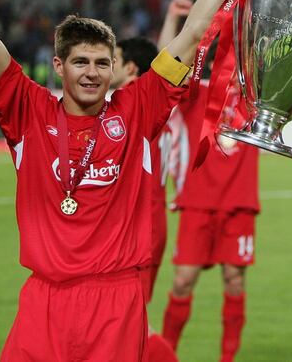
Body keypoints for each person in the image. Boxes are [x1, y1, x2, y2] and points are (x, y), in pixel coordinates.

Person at [0, 0, 265, 359]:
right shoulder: (26, 110)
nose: (91, 73)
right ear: (58, 66)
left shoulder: (139, 107)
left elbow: (193, 34)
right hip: (44, 300)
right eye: (80, 62)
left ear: (115, 69)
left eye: (101, 63)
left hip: (115, 301)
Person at [158, 5, 260, 362]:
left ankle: (227, 359)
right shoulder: (194, 94)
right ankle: (167, 355)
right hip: (197, 201)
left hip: (239, 201)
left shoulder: (256, 98)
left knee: (235, 280)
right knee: (183, 281)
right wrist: (173, 21)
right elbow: (166, 68)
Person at [108, 36, 179, 362]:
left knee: (132, 324)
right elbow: (163, 59)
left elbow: (168, 58)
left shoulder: (138, 108)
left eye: (114, 59)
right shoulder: (149, 102)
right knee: (123, 323)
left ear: (130, 68)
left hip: (140, 226)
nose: (107, 66)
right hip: (146, 220)